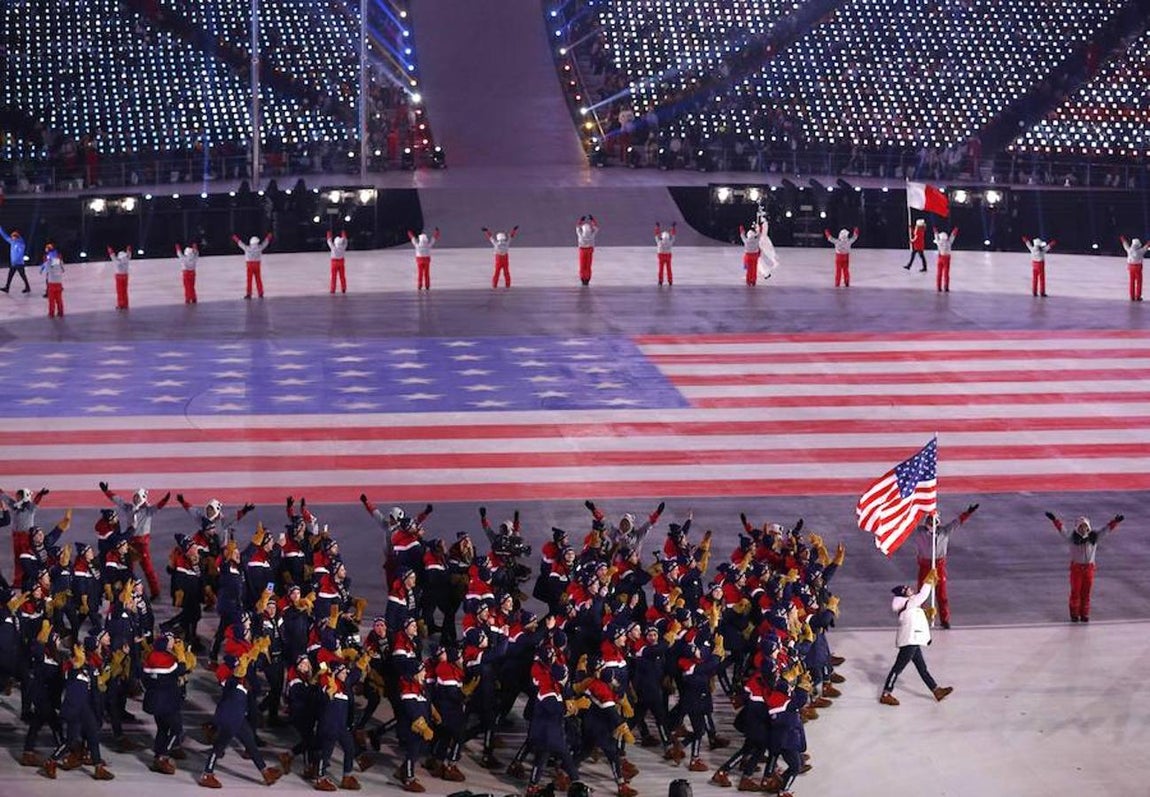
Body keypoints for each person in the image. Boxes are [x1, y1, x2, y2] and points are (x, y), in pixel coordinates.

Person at [879, 569, 953, 706]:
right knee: (897, 668)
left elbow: (916, 618)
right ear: (903, 595)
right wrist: (929, 581)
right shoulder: (909, 603)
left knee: (922, 668)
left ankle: (936, 690)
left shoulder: (910, 607)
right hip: (910, 640)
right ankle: (886, 693)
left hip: (913, 640)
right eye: (907, 589)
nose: (910, 589)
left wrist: (927, 615)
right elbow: (923, 595)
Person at [1044, 511, 1124, 622]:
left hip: (1089, 569)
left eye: (1085, 526)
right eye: (1081, 526)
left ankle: (1085, 614)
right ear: (1077, 527)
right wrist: (1054, 520)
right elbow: (1062, 530)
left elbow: (1106, 530)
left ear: (1089, 527)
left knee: (1086, 593)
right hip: (1076, 569)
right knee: (1075, 592)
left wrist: (1115, 521)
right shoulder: (1072, 539)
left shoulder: (1093, 538)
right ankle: (1074, 614)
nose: (1083, 529)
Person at [912, 504, 979, 629]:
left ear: (938, 522)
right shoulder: (919, 531)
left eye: (934, 521)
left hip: (939, 566)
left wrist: (968, 512)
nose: (932, 524)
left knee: (941, 595)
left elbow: (957, 522)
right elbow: (909, 522)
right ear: (926, 521)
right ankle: (917, 619)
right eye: (930, 521)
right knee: (921, 594)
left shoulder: (944, 531)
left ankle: (945, 619)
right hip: (925, 566)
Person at [231, 232, 272, 299]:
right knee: (258, 279)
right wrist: (269, 236)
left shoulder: (247, 248)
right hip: (257, 265)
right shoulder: (260, 248)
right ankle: (260, 293)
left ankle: (249, 294)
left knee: (249, 280)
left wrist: (235, 238)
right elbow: (265, 243)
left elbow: (240, 243)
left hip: (249, 265)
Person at [0, 225, 30, 293]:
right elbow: (5, 236)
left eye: (13, 236)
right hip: (14, 263)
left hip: (19, 263)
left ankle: (27, 287)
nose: (11, 237)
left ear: (16, 236)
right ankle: (7, 288)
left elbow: (20, 254)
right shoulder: (12, 241)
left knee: (22, 275)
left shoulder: (21, 243)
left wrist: (16, 262)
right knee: (10, 275)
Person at [1120, 235, 1148, 302]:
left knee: (1131, 282)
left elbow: (1125, 245)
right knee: (1139, 282)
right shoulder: (1141, 251)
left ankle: (1132, 296)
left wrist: (1122, 239)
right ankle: (1138, 296)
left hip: (1131, 267)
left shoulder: (1129, 250)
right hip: (1138, 267)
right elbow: (1146, 247)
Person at [933, 227, 958, 292]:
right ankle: (946, 287)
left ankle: (938, 287)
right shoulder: (949, 242)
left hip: (940, 257)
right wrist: (955, 230)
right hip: (946, 258)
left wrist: (935, 230)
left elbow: (936, 236)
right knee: (946, 274)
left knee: (939, 273)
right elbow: (953, 236)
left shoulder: (939, 242)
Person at [576, 215, 599, 285]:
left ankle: (583, 279)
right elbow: (596, 228)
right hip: (589, 250)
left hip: (583, 250)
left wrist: (581, 220)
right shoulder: (592, 235)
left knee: (582, 265)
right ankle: (586, 279)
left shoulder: (580, 235)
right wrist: (592, 220)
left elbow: (577, 227)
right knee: (588, 265)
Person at [107, 245, 132, 309]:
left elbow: (112, 255)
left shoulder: (117, 261)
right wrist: (128, 249)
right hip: (125, 276)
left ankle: (121, 304)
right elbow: (129, 254)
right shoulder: (127, 260)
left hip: (119, 277)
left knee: (120, 292)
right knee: (125, 291)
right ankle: (125, 304)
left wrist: (109, 249)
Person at [738, 219, 762, 286]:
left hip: (748, 256)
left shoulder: (746, 241)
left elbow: (742, 235)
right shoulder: (756, 240)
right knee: (754, 268)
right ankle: (753, 280)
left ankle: (748, 280)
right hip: (755, 256)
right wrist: (760, 226)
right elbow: (760, 233)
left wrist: (741, 229)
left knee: (749, 269)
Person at [326, 230, 348, 294]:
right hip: (341, 262)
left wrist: (328, 234)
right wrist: (343, 233)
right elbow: (346, 241)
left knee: (333, 277)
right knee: (342, 276)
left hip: (334, 263)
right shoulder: (343, 247)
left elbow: (329, 242)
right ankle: (343, 288)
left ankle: (333, 289)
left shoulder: (333, 248)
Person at [44, 248, 65, 317]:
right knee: (59, 299)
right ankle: (60, 312)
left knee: (51, 300)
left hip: (51, 283)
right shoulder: (59, 262)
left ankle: (51, 313)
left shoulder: (49, 262)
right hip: (59, 282)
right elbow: (63, 270)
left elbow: (47, 270)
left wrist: (46, 261)